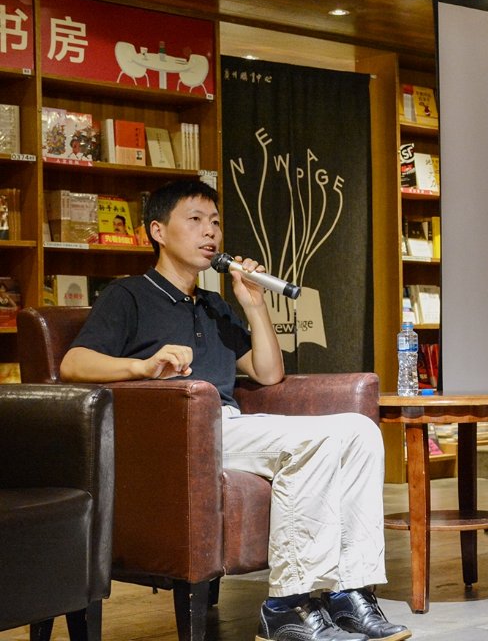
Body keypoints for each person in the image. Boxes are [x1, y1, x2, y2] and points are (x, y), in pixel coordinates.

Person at [60, 179, 411, 641]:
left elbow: (268, 373)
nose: (210, 232)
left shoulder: (215, 306)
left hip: (230, 426)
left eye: (215, 222)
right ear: (158, 231)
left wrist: (253, 305)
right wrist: (141, 366)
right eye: (195, 220)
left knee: (360, 430)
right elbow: (73, 364)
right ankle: (287, 604)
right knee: (316, 440)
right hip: (179, 435)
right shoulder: (129, 295)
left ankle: (350, 591)